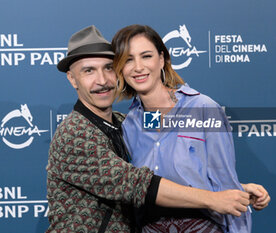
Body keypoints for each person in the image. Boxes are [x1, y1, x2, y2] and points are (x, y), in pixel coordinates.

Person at [46, 25, 257, 233]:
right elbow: (139, 185)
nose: (102, 80)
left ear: (162, 59)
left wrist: (235, 189)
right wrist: (214, 198)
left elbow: (163, 163)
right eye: (89, 71)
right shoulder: (74, 134)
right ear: (73, 79)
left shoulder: (129, 121)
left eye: (108, 67)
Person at [111, 24, 270, 232]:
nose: (138, 67)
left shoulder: (203, 109)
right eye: (129, 59)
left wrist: (238, 193)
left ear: (162, 59)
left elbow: (225, 186)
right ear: (120, 67)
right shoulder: (130, 124)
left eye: (146, 56)